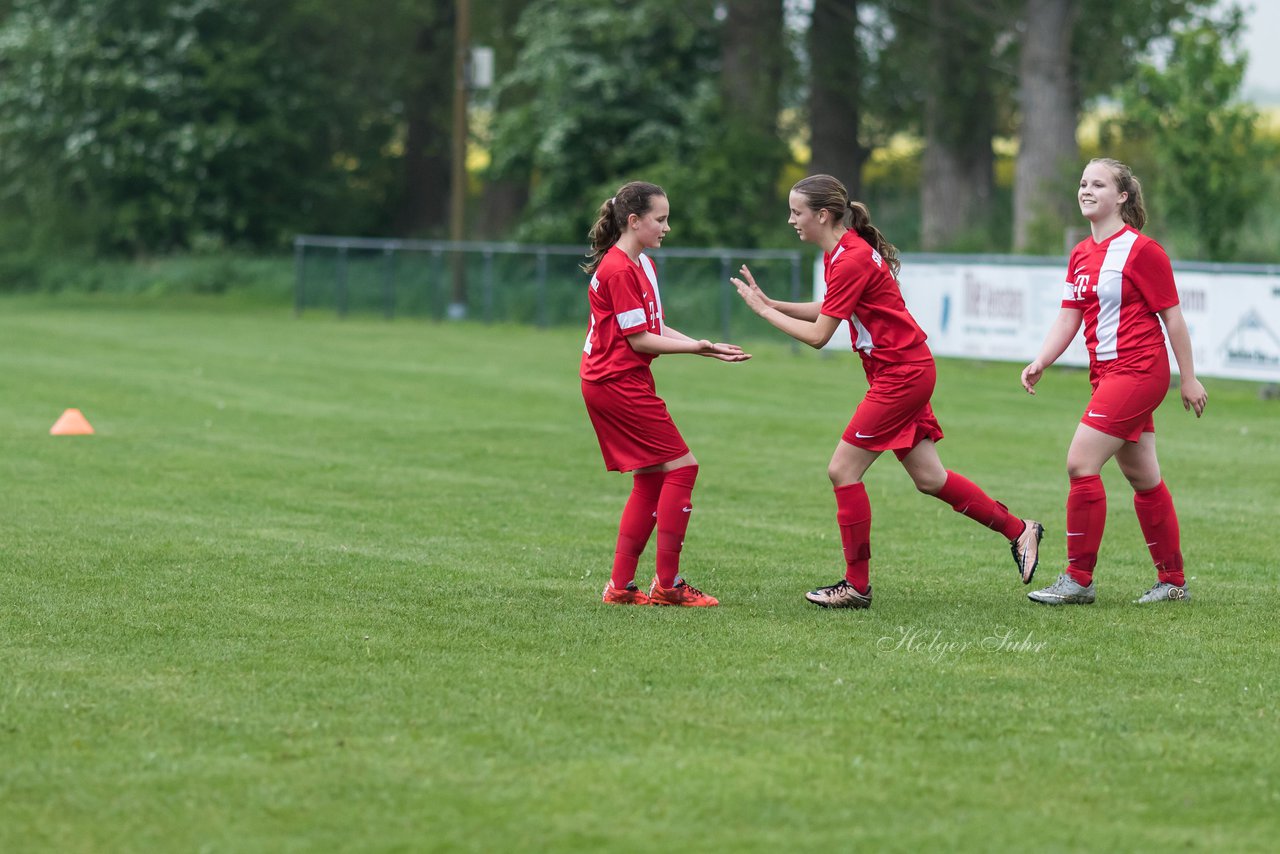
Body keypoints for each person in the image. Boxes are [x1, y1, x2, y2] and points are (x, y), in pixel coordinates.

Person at [731, 174, 1044, 609]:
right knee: (931, 479)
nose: (791, 220)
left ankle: (856, 587)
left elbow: (822, 334)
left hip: (902, 375)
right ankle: (1019, 529)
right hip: (901, 371)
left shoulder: (851, 257)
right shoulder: (841, 253)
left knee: (843, 470)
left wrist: (765, 313)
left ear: (822, 215)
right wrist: (774, 302)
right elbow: (830, 307)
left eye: (796, 212)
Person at [1020, 158, 1207, 606]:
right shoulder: (1080, 253)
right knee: (1143, 477)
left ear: (1121, 197)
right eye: (1083, 182)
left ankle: (1078, 580)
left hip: (1139, 370)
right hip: (1107, 374)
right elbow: (1069, 316)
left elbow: (1173, 318)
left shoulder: (1143, 250)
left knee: (1080, 462)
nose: (1086, 190)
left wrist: (1189, 378)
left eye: (1098, 184)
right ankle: (1173, 582)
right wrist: (1041, 360)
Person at [581, 181, 750, 607]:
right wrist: (696, 348)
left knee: (652, 477)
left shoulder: (642, 264)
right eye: (661, 219)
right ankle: (668, 586)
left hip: (621, 379)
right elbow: (639, 340)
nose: (667, 227)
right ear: (634, 221)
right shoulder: (619, 268)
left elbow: (653, 328)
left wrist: (704, 346)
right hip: (615, 381)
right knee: (683, 469)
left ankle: (620, 588)